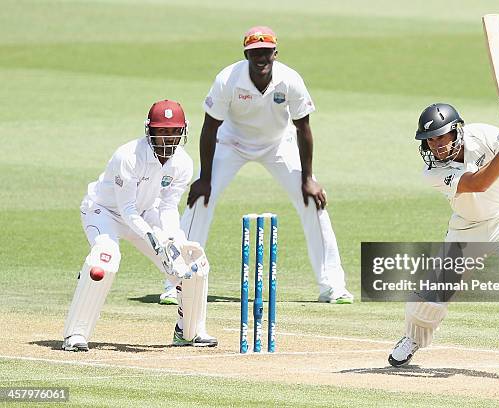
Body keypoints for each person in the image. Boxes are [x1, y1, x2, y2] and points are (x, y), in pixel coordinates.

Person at [160, 26, 353, 304]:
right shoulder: (227, 79)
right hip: (231, 143)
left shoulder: (290, 80)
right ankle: (176, 283)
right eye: (254, 53)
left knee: (313, 201)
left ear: (275, 53)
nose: (261, 58)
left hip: (278, 144)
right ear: (246, 54)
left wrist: (308, 177)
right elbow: (209, 128)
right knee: (199, 200)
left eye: (265, 52)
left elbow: (304, 129)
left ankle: (332, 286)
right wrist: (205, 178)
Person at [388, 103, 499, 381]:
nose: (435, 145)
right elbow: (477, 184)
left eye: (440, 136)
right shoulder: (433, 173)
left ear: (456, 131)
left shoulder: (483, 135)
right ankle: (413, 338)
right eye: (430, 139)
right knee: (431, 297)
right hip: (467, 228)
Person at [62, 100, 217, 351]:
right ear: (150, 130)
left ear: (183, 131)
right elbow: (126, 209)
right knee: (104, 260)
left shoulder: (183, 163)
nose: (168, 139)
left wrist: (171, 239)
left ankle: (189, 330)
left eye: (174, 131)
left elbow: (168, 207)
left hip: (148, 212)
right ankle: (75, 335)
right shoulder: (128, 156)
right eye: (162, 132)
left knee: (189, 262)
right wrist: (152, 237)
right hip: (105, 212)